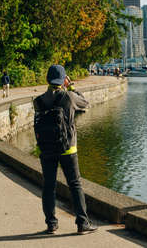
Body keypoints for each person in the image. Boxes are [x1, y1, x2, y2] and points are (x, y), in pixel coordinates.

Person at [33, 65, 98, 235]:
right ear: (63, 80)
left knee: (48, 186)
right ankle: (82, 224)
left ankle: (51, 224)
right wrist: (71, 86)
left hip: (46, 148)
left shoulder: (38, 101)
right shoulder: (69, 97)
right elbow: (85, 103)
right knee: (75, 185)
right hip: (67, 148)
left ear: (47, 80)